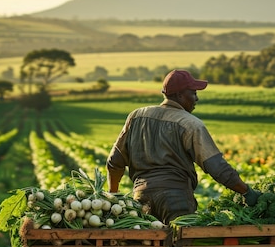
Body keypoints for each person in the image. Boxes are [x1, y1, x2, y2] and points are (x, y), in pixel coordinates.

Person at [106, 69, 260, 224]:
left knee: (150, 245)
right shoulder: (190, 124)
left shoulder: (136, 117)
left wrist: (113, 195)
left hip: (140, 198)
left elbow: (114, 161)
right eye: (193, 93)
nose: (196, 98)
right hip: (176, 200)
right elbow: (217, 168)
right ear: (180, 95)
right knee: (178, 245)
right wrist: (246, 191)